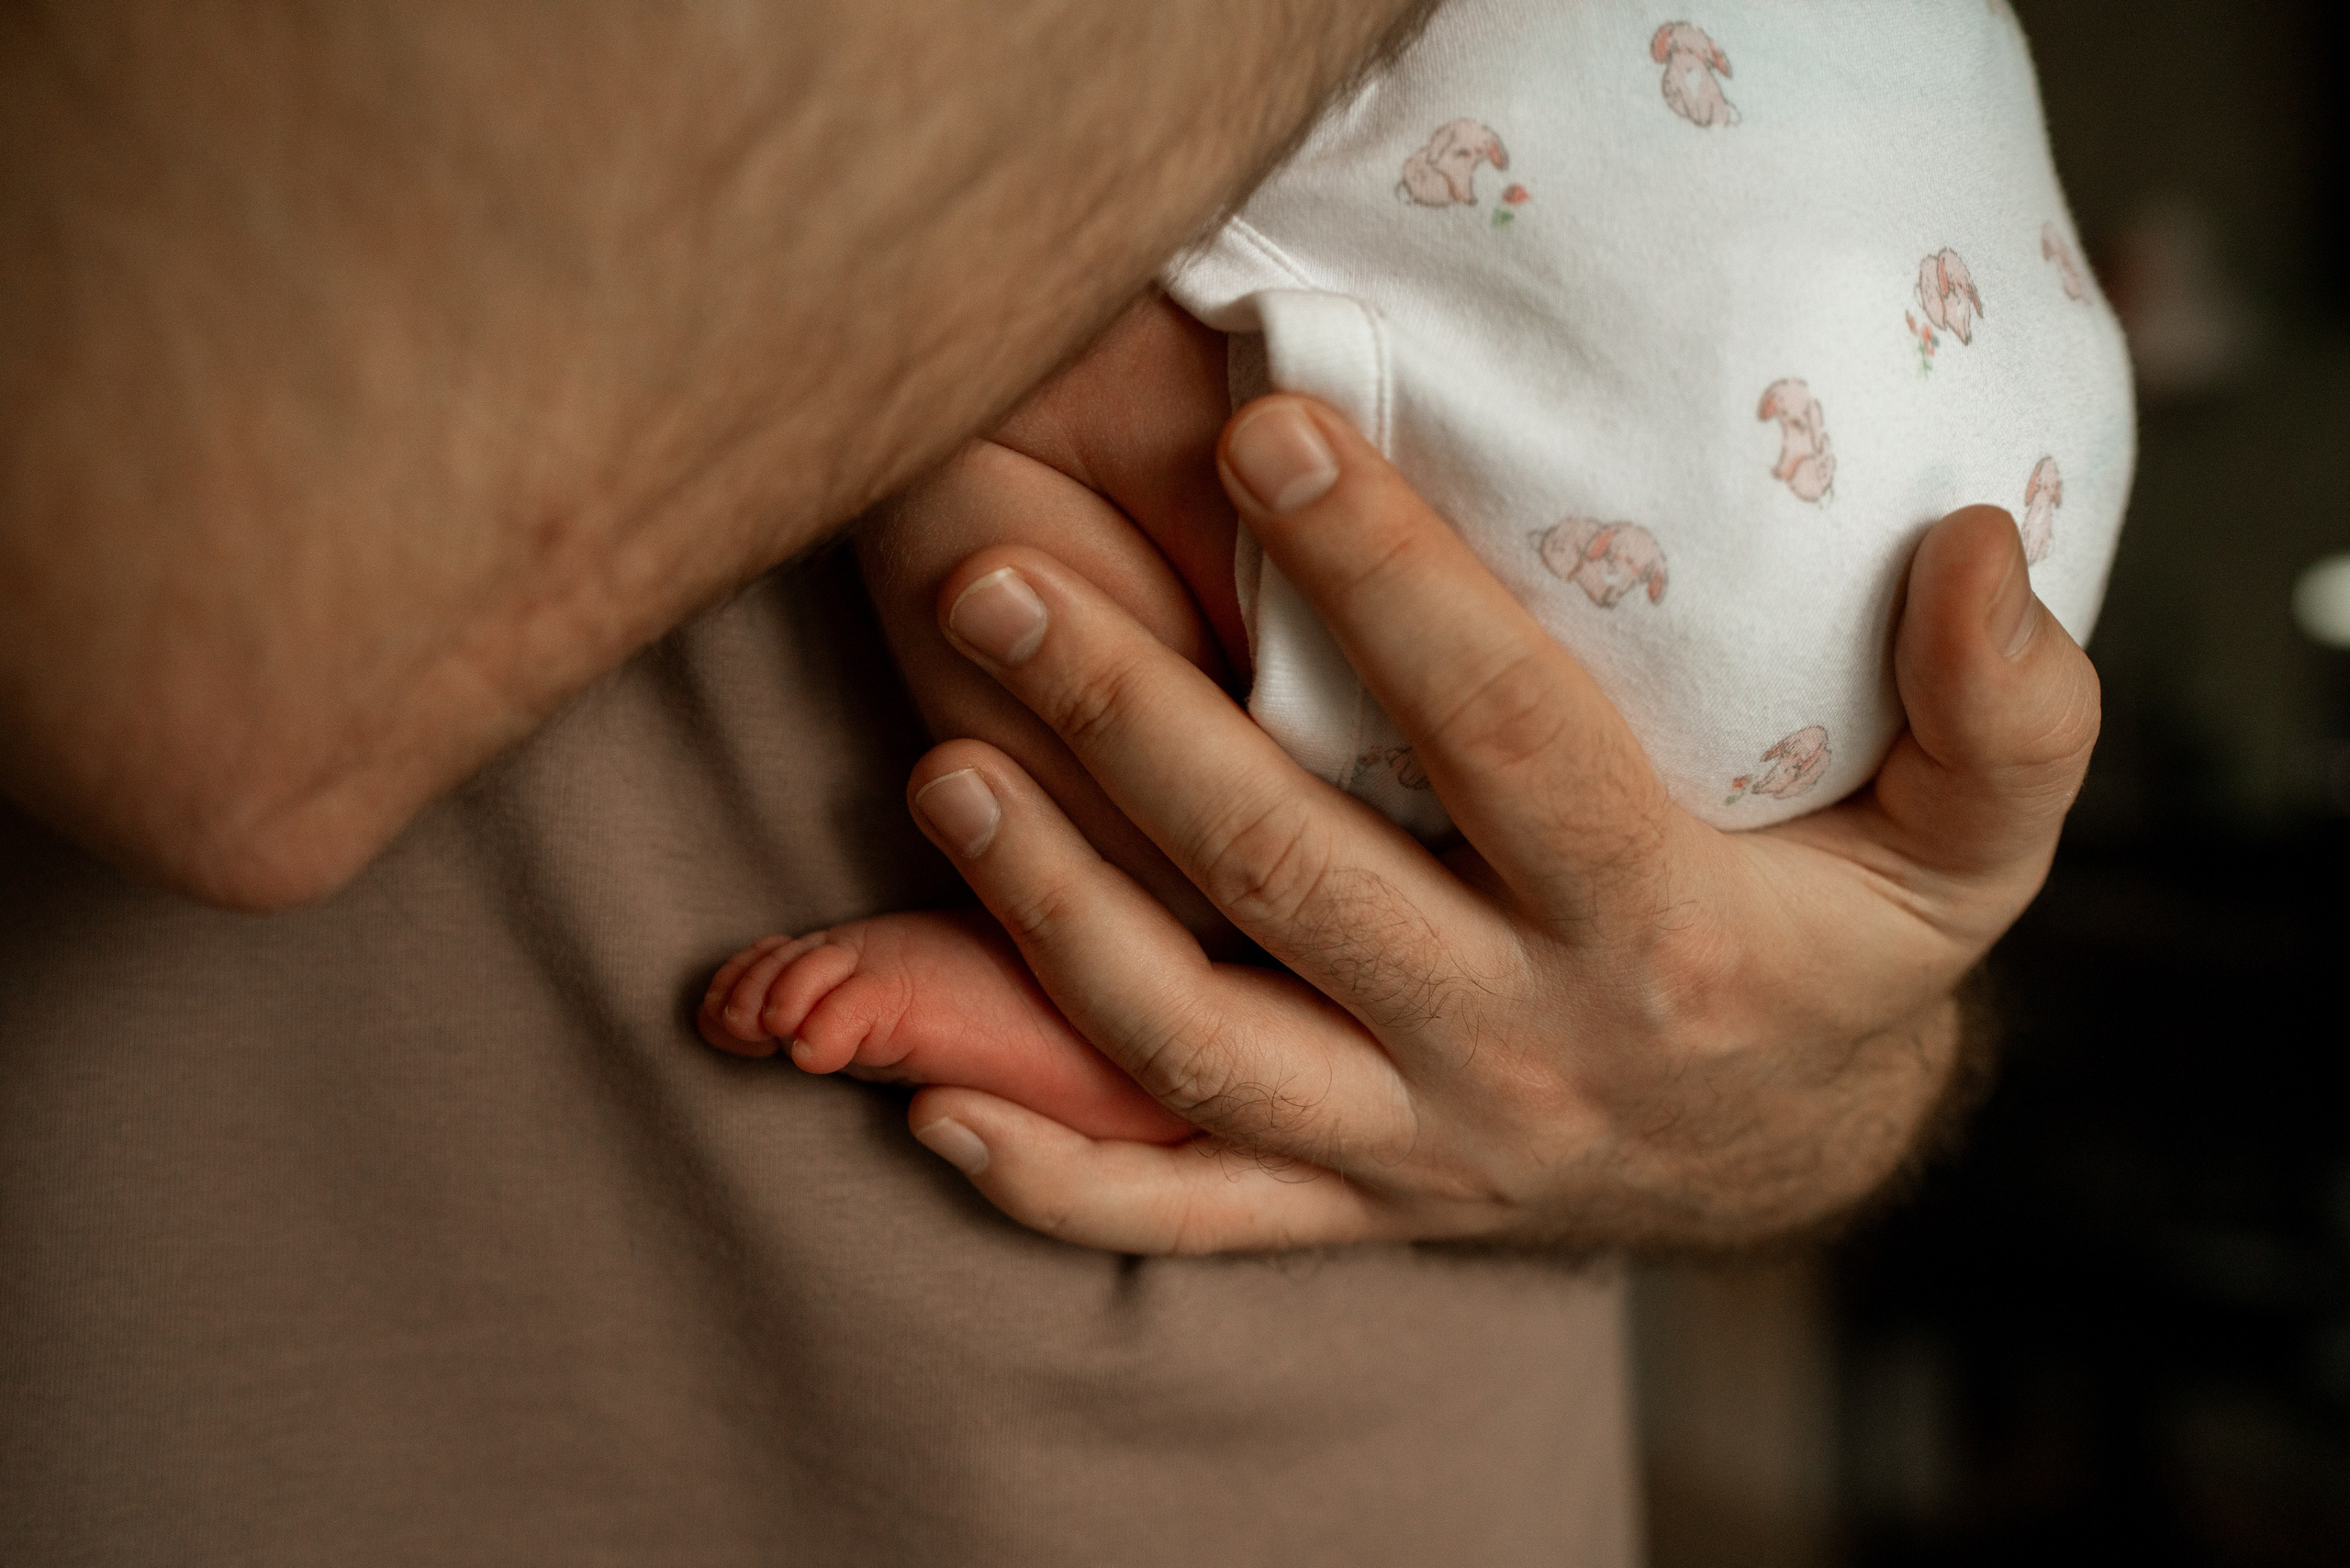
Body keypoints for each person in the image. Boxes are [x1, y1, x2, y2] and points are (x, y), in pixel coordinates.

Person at [0, 4, 2099, 1562]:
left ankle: (1160, 1002)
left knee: (1002, 492)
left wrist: (1808, 1069)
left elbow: (1764, 1033)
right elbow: (200, 645)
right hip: (1939, 357)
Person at [696, 0, 2133, 1179]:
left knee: (975, 364)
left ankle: (1163, 971)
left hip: (1639, 324)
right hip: (2004, 416)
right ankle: (1220, 1002)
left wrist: (1822, 1085)